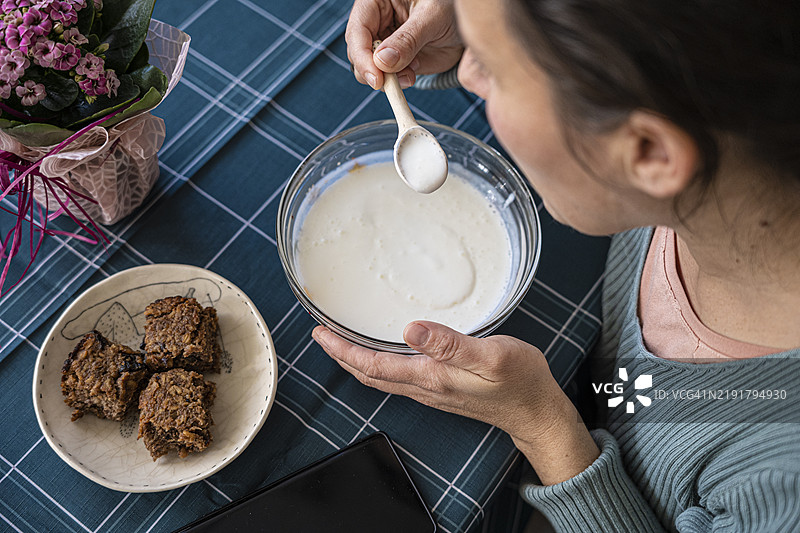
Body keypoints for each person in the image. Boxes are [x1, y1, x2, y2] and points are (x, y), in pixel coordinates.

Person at [312, 0, 800, 530]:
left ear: (650, 154)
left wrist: (543, 425)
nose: (471, 76)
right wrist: (485, 28)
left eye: (491, 70)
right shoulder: (731, 165)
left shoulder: (778, 483)